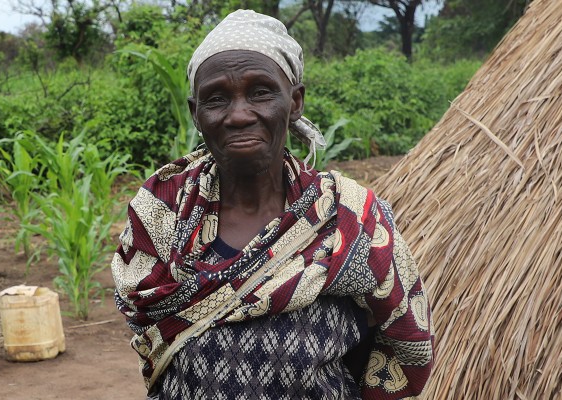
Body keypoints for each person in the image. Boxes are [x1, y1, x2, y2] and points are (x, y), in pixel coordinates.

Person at [111, 9, 433, 400]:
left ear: (295, 101)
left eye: (261, 92)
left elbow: (406, 344)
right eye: (216, 99)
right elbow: (144, 325)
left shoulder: (349, 217)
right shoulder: (161, 212)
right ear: (196, 114)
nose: (240, 115)